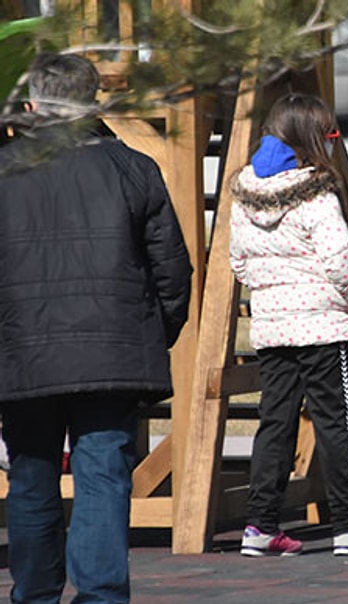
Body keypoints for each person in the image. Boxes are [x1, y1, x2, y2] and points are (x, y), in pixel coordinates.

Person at [0, 53, 192, 602]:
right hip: (114, 352)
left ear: (33, 105)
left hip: (24, 352)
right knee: (104, 479)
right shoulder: (133, 167)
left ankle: (34, 594)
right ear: (93, 103)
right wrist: (154, 332)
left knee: (32, 479)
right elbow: (173, 270)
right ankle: (102, 596)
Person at [229, 93, 348, 557]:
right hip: (322, 327)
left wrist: (271, 291)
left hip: (274, 327)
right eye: (329, 135)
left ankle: (260, 525)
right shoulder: (316, 194)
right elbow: (342, 261)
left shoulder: (244, 192)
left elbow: (238, 261)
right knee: (334, 424)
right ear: (309, 140)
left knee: (273, 424)